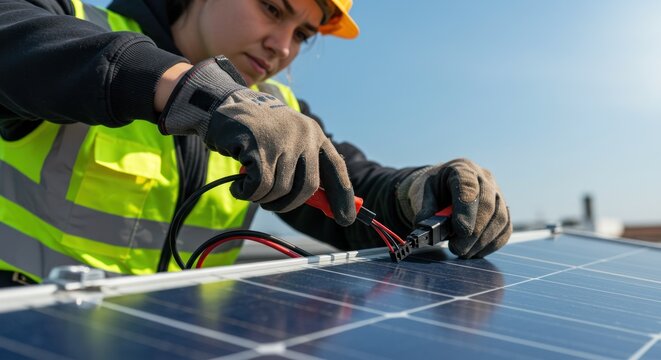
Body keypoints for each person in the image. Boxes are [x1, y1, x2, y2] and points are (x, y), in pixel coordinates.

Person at [0, 0, 512, 287]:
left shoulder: (273, 109)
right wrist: (198, 93)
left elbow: (353, 192)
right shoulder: (75, 26)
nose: (284, 46)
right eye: (272, 8)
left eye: (303, 34)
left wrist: (421, 195)